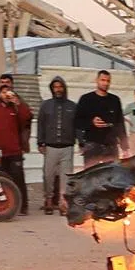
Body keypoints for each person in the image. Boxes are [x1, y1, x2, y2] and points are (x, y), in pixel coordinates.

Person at [0, 79, 32, 215]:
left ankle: (23, 206)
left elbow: (27, 118)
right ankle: (5, 206)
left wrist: (17, 102)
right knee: (0, 178)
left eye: (8, 91)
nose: (5, 94)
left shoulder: (16, 108)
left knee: (18, 177)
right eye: (3, 92)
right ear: (0, 94)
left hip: (15, 150)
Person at [36, 75, 77, 215]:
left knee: (66, 177)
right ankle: (48, 200)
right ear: (52, 89)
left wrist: (81, 142)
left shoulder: (72, 106)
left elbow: (77, 127)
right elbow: (40, 125)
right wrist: (40, 142)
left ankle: (63, 203)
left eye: (60, 87)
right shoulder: (46, 105)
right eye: (55, 87)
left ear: (64, 88)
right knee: (48, 175)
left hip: (67, 147)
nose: (58, 89)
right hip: (50, 147)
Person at [75, 69, 127, 166]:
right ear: (97, 80)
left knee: (112, 175)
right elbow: (77, 122)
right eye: (103, 80)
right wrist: (91, 122)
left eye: (108, 81)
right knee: (92, 175)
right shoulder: (86, 99)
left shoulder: (115, 100)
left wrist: (125, 146)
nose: (105, 83)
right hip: (92, 144)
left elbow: (120, 123)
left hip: (111, 145)